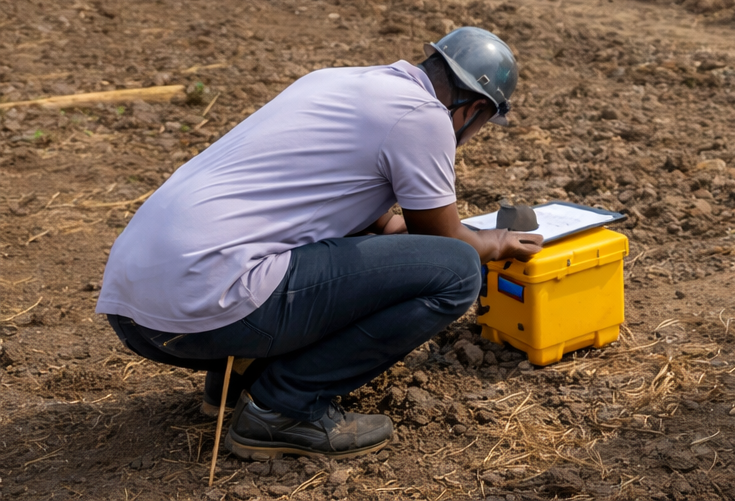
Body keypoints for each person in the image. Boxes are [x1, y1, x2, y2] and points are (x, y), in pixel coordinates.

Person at [96, 28, 543, 459]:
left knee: (352, 254)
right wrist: (497, 241)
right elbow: (445, 240)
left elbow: (317, 186)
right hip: (204, 309)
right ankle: (285, 406)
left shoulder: (334, 81)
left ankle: (237, 380)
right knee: (457, 269)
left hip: (136, 310)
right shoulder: (423, 116)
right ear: (475, 108)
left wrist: (390, 229)